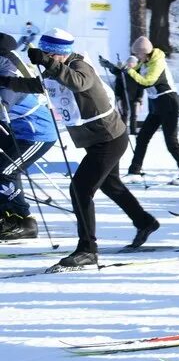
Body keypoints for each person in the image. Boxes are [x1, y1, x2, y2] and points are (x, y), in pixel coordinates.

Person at [0, 29, 159, 268]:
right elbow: (37, 85)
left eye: (48, 53)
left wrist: (45, 62)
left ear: (59, 53)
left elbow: (78, 82)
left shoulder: (80, 66)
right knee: (111, 185)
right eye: (42, 52)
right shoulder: (55, 69)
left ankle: (88, 249)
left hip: (109, 138)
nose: (44, 56)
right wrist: (5, 81)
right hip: (97, 139)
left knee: (80, 189)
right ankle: (144, 221)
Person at [0, 33, 57, 239]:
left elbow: (4, 104)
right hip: (17, 130)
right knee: (5, 170)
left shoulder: (10, 69)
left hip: (36, 134)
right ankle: (8, 217)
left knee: (4, 171)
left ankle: (26, 221)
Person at [125, 36, 179, 182]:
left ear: (144, 52)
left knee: (171, 141)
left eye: (137, 54)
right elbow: (132, 74)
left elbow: (148, 81)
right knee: (142, 137)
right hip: (156, 104)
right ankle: (134, 172)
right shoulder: (144, 62)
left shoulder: (157, 62)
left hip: (168, 103)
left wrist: (129, 71)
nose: (136, 57)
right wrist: (117, 69)